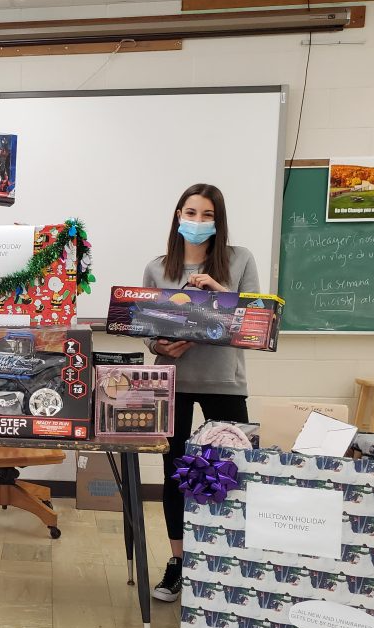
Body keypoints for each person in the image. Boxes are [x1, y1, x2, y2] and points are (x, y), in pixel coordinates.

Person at [144, 183, 259, 602]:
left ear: (218, 220)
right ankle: (178, 563)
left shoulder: (239, 259)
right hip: (172, 381)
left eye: (206, 215)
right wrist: (158, 346)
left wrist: (221, 298)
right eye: (190, 213)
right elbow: (147, 328)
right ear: (178, 215)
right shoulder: (158, 268)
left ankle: (224, 562)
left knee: (229, 470)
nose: (197, 222)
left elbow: (253, 323)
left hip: (224, 381)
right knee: (175, 473)